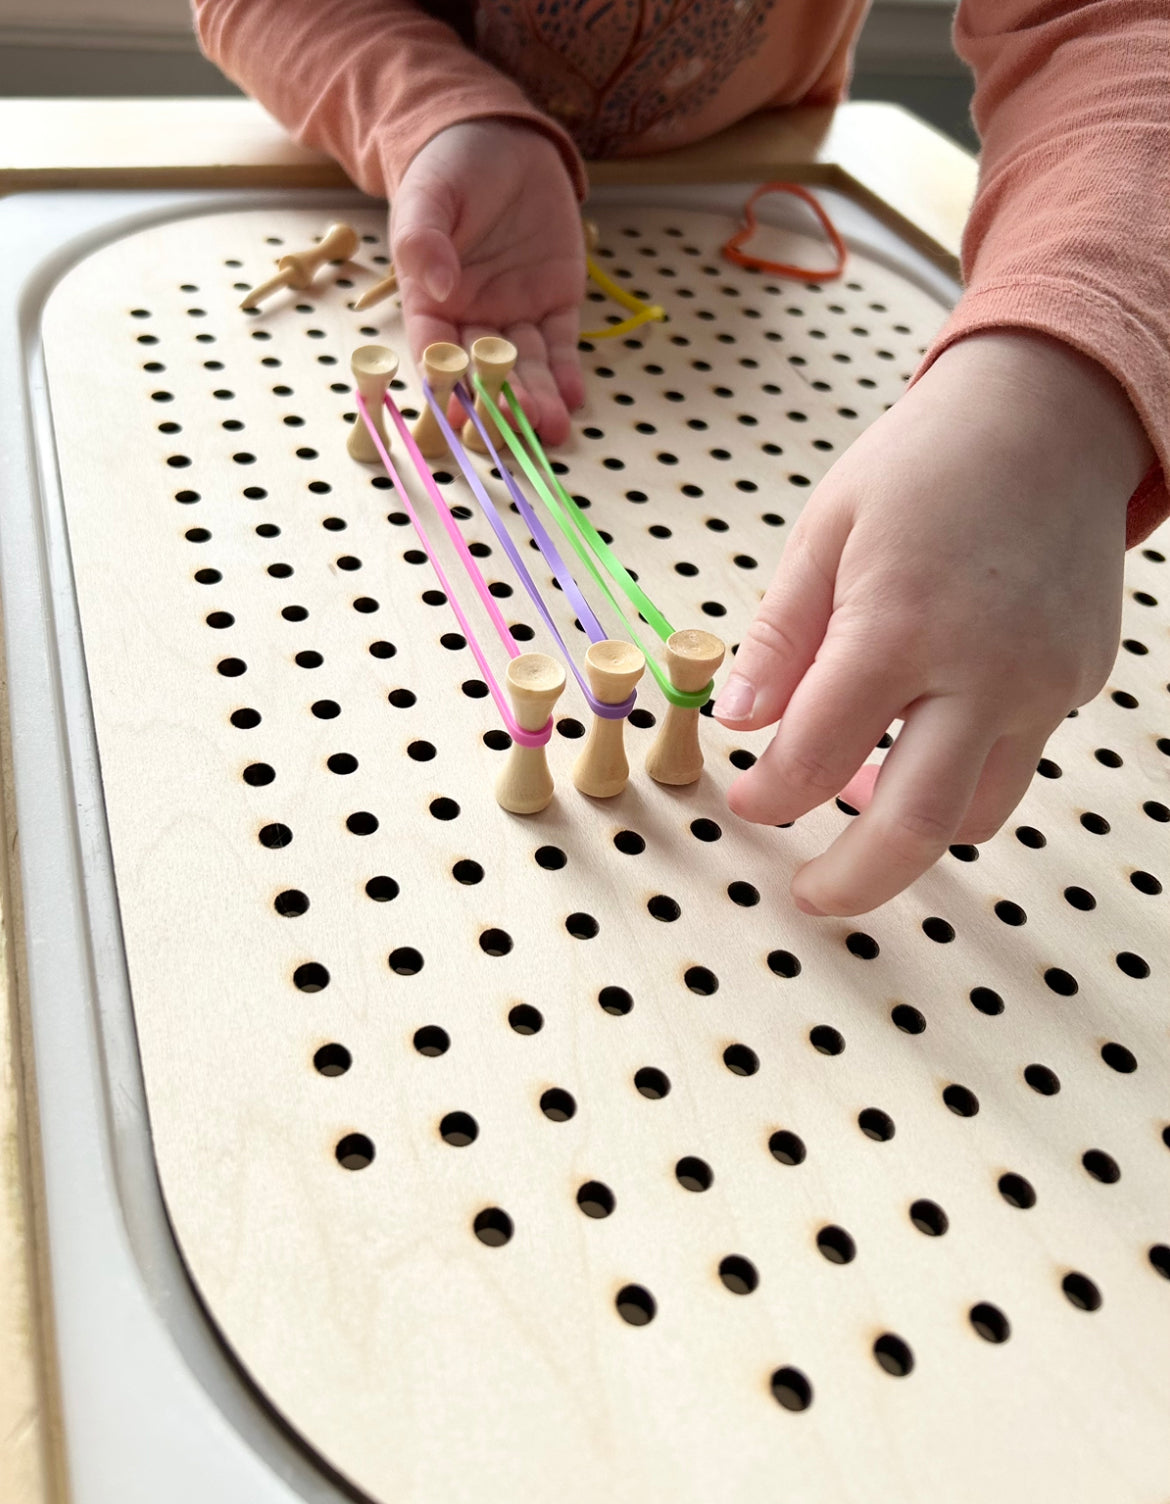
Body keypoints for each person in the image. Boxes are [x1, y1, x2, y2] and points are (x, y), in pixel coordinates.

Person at [195, 0, 1167, 915]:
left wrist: (1064, 372)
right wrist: (430, 111)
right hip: (403, 181)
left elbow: (1116, 26)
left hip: (742, 239)